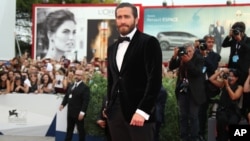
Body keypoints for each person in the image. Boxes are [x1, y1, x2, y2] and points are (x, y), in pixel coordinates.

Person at [105, 3, 162, 141]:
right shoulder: (112, 48)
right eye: (119, 17)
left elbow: (154, 81)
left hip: (139, 113)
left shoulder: (149, 42)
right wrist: (108, 105)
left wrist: (143, 111)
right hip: (115, 114)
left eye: (127, 17)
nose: (122, 21)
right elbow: (112, 80)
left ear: (136, 20)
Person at [169, 44, 206, 141]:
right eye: (186, 51)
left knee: (193, 116)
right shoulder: (182, 58)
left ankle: (195, 137)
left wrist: (188, 62)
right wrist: (175, 56)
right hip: (183, 90)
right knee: (183, 115)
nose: (187, 53)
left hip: (194, 92)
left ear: (194, 51)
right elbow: (171, 67)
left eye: (190, 51)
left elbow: (197, 72)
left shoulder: (199, 59)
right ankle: (184, 137)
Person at [197, 35, 221, 141]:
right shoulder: (197, 53)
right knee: (197, 112)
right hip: (197, 86)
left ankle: (202, 133)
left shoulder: (215, 56)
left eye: (212, 42)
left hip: (208, 88)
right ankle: (196, 133)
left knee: (203, 110)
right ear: (204, 43)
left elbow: (213, 67)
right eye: (208, 42)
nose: (210, 44)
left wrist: (205, 57)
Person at [209, 68, 243, 141]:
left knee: (232, 122)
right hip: (223, 109)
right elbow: (211, 79)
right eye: (229, 76)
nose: (230, 78)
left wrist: (227, 85)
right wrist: (221, 71)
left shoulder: (239, 87)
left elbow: (233, 97)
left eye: (233, 76)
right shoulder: (223, 84)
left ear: (237, 78)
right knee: (222, 121)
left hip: (233, 110)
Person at [59, 69, 90, 141]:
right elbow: (67, 96)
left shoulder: (85, 88)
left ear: (82, 77)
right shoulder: (72, 85)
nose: (77, 76)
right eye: (76, 74)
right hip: (70, 112)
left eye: (79, 75)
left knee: (81, 130)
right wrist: (63, 104)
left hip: (78, 113)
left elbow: (86, 101)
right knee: (69, 129)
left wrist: (82, 112)